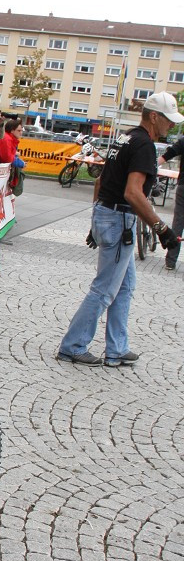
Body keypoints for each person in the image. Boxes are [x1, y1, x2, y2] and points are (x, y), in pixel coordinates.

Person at [57, 92, 182, 367]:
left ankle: (116, 347)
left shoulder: (124, 137)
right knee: (104, 290)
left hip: (108, 213)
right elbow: (133, 193)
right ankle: (73, 345)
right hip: (120, 219)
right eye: (168, 120)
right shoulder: (144, 145)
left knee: (124, 286)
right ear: (153, 116)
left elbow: (102, 181)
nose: (171, 126)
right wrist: (162, 229)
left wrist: (95, 222)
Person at [158, 132, 184, 270]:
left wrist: (150, 166)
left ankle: (171, 261)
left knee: (178, 222)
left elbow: (166, 156)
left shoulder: (182, 141)